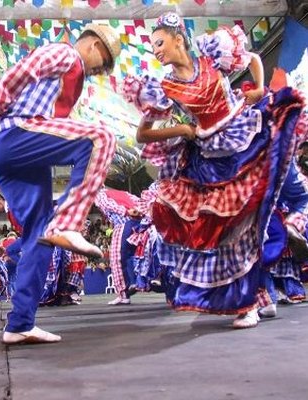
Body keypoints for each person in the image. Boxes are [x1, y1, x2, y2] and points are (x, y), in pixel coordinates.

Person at [121, 12, 306, 328]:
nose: (156, 50)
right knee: (229, 234)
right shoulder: (164, 86)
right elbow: (143, 134)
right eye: (153, 45)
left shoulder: (211, 56)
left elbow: (252, 59)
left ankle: (274, 271)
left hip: (245, 134)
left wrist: (259, 89)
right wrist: (182, 130)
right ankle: (252, 300)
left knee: (268, 208)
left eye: (159, 43)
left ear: (179, 38)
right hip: (211, 159)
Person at [0, 23, 120, 343]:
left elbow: (57, 125)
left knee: (40, 233)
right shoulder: (66, 53)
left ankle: (20, 323)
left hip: (8, 150)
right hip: (15, 134)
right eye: (103, 61)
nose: (100, 70)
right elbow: (16, 75)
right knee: (101, 138)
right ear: (92, 45)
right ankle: (70, 223)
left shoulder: (68, 85)